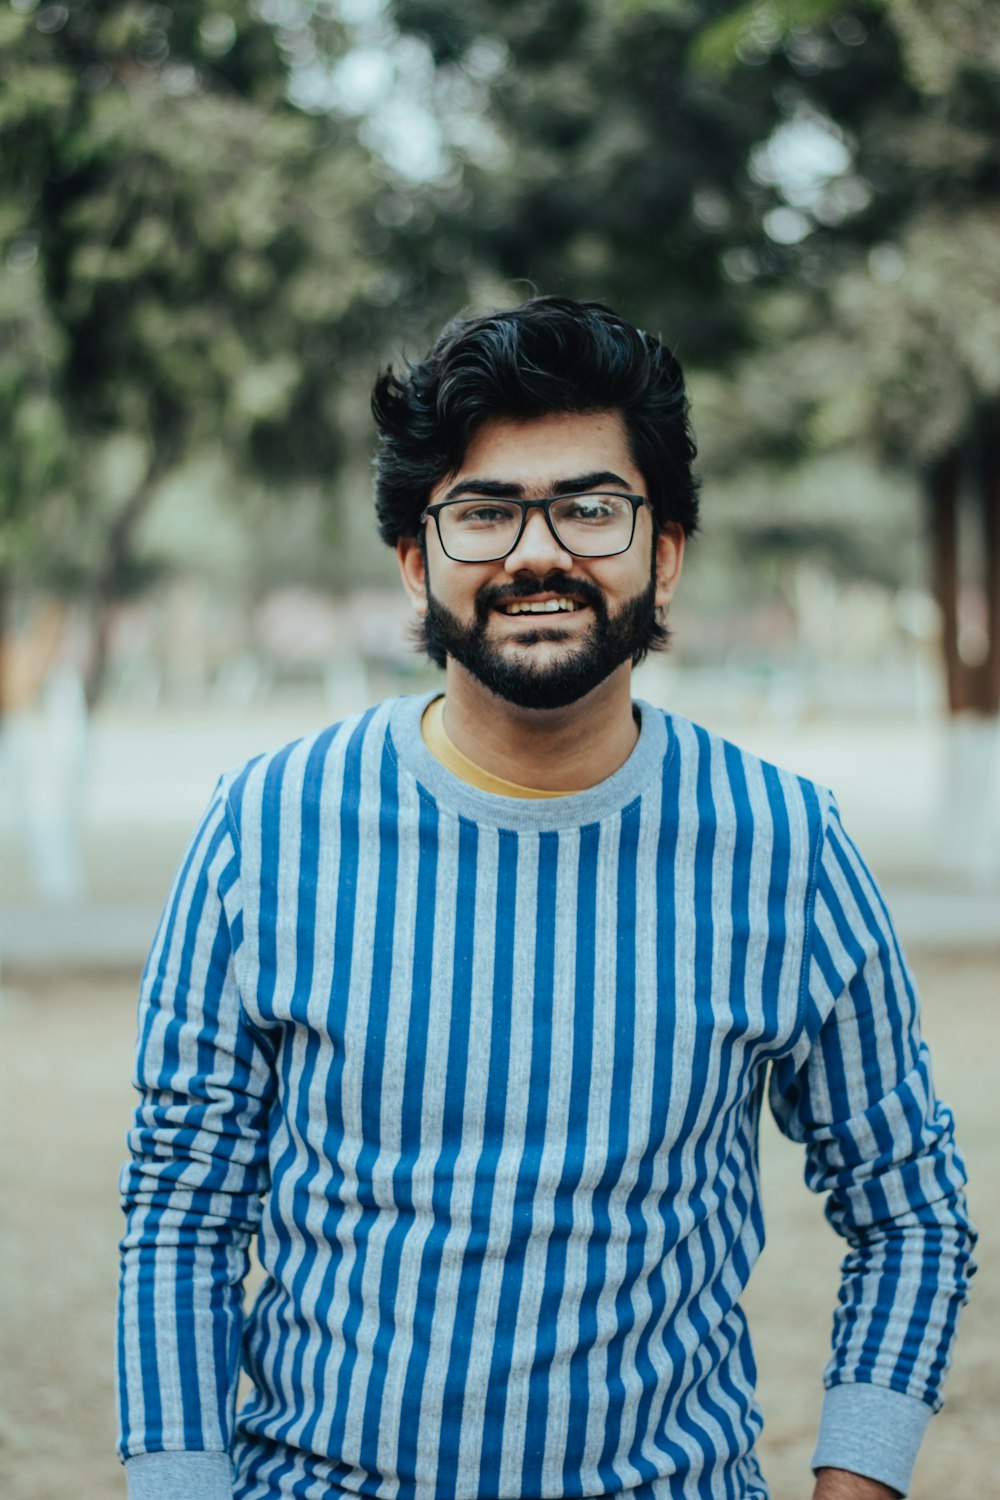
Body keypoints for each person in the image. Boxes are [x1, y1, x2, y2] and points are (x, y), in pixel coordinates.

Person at [117, 296, 975, 1500]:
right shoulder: (263, 832)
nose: (536, 553)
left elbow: (911, 1214)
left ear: (663, 550)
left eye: (589, 506)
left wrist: (857, 1481)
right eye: (482, 512)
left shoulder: (785, 847)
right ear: (416, 561)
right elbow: (178, 1219)